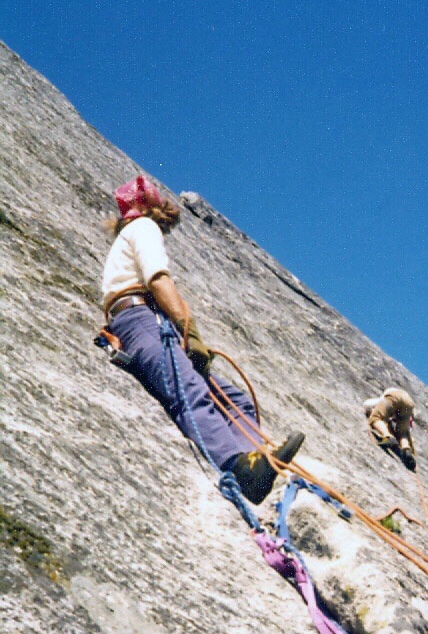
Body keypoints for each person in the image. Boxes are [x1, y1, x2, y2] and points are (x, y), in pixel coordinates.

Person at [100, 175, 304, 504]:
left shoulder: (130, 234)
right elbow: (158, 279)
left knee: (236, 400)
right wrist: (188, 330)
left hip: (145, 320)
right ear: (151, 208)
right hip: (139, 319)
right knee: (189, 390)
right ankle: (239, 467)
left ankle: (257, 461)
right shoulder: (143, 228)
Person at [364, 387, 416, 471]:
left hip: (395, 396)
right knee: (402, 432)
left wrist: (371, 413)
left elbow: (368, 405)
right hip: (409, 404)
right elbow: (406, 428)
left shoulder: (384, 398)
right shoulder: (399, 394)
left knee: (376, 418)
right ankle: (406, 448)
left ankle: (387, 437)